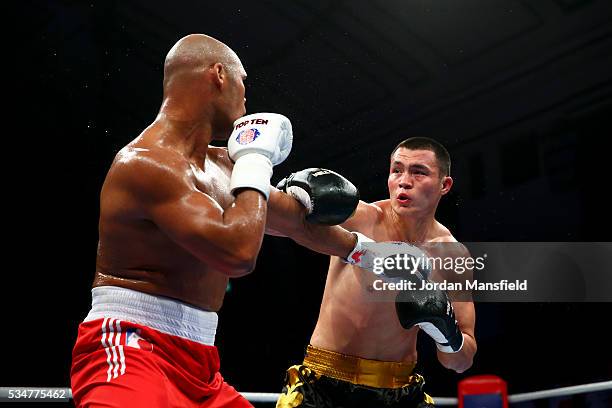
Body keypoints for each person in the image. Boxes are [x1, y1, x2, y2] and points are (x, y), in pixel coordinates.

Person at [70, 33, 367, 408]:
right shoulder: (146, 164)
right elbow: (237, 254)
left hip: (201, 364)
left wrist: (369, 253)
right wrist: (257, 160)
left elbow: (295, 222)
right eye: (243, 82)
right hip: (130, 349)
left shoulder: (225, 165)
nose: (246, 98)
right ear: (218, 75)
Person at [276, 137, 477, 408]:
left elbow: (460, 362)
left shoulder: (453, 256)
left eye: (419, 172)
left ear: (445, 185)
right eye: (397, 170)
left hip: (400, 392)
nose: (404, 181)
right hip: (325, 385)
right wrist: (288, 189)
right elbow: (275, 222)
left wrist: (446, 334)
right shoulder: (360, 219)